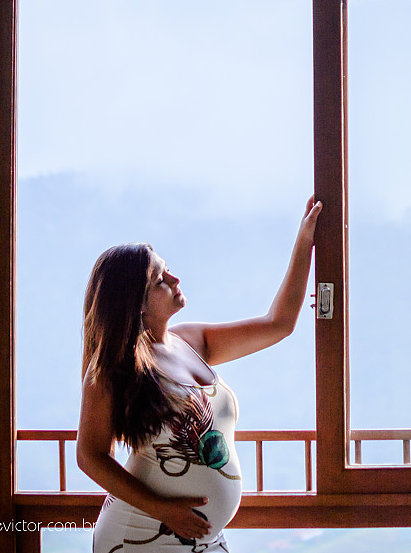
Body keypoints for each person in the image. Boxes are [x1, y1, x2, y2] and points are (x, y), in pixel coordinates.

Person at [77, 198, 323, 553]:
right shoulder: (113, 367)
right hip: (142, 533)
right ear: (138, 304)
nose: (175, 279)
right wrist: (162, 510)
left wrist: (306, 241)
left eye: (167, 269)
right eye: (159, 279)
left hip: (201, 538)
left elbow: (278, 324)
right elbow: (89, 456)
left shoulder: (192, 341)